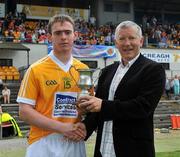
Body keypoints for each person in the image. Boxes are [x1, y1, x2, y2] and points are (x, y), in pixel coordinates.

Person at [77, 21, 166, 157]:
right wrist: (85, 126)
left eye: (131, 38)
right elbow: (98, 108)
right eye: (122, 39)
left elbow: (143, 107)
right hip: (103, 149)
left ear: (141, 41)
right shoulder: (107, 71)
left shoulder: (153, 69)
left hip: (133, 150)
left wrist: (103, 105)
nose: (127, 43)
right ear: (116, 43)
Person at [17, 14, 88, 157]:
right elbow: (24, 111)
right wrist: (62, 128)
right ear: (49, 37)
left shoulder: (84, 71)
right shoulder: (36, 69)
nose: (63, 37)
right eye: (58, 33)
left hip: (74, 140)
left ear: (75, 35)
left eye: (67, 32)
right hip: (43, 142)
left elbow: (88, 107)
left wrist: (84, 125)